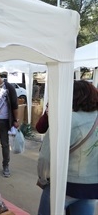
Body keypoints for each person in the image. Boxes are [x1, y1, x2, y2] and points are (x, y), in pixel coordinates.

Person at [37, 80, 98, 215]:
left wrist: (43, 178)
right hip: (92, 186)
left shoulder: (67, 120)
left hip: (64, 184)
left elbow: (46, 157)